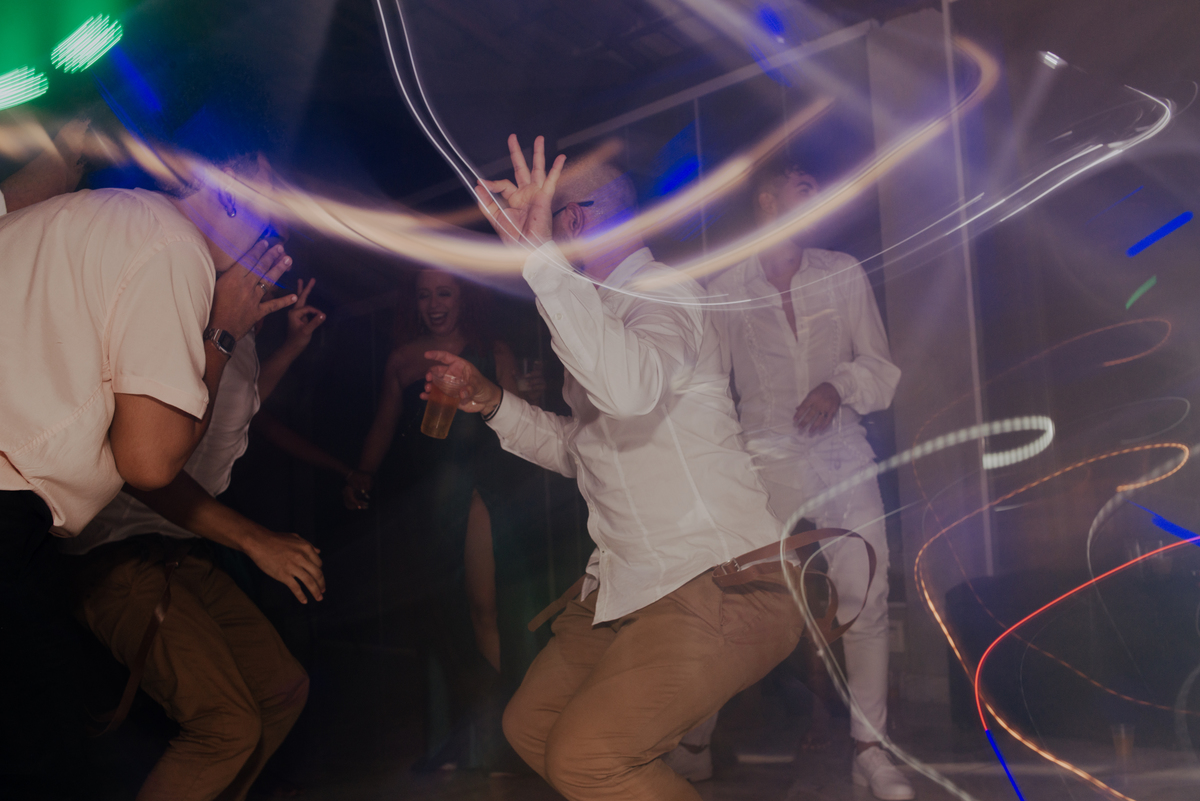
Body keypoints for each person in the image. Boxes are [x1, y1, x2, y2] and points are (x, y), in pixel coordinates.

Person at [422, 134, 807, 801]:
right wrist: (490, 400)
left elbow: (630, 391)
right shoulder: (598, 318)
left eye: (554, 216)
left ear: (572, 221)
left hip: (715, 580)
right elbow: (584, 450)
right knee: (531, 725)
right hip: (627, 588)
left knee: (588, 758)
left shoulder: (662, 293)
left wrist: (540, 262)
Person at [0, 116, 297, 794]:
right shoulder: (172, 245)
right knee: (46, 759)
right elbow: (150, 462)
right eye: (270, 195)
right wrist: (222, 332)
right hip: (15, 512)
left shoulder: (79, 216)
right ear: (229, 184)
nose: (275, 222)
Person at [59, 275, 326, 801]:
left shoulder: (240, 338)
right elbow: (140, 468)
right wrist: (255, 539)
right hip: (119, 554)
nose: (265, 271)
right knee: (226, 726)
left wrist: (292, 346)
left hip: (181, 549)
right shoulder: (179, 316)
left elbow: (239, 408)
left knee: (281, 689)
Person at [705, 160, 909, 800]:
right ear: (768, 200)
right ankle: (692, 740)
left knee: (866, 589)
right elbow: (707, 389)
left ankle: (869, 751)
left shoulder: (842, 272)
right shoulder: (725, 287)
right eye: (805, 188)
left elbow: (879, 370)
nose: (819, 198)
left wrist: (837, 384)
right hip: (762, 458)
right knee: (739, 600)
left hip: (840, 449)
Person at [343, 267, 535, 768]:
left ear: (462, 297)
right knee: (437, 617)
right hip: (421, 500)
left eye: (444, 293)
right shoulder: (402, 359)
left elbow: (520, 416)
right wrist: (361, 474)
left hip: (477, 491)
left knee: (482, 609)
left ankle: (495, 736)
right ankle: (454, 735)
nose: (434, 304)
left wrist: (528, 393)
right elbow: (385, 424)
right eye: (425, 294)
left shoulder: (491, 351)